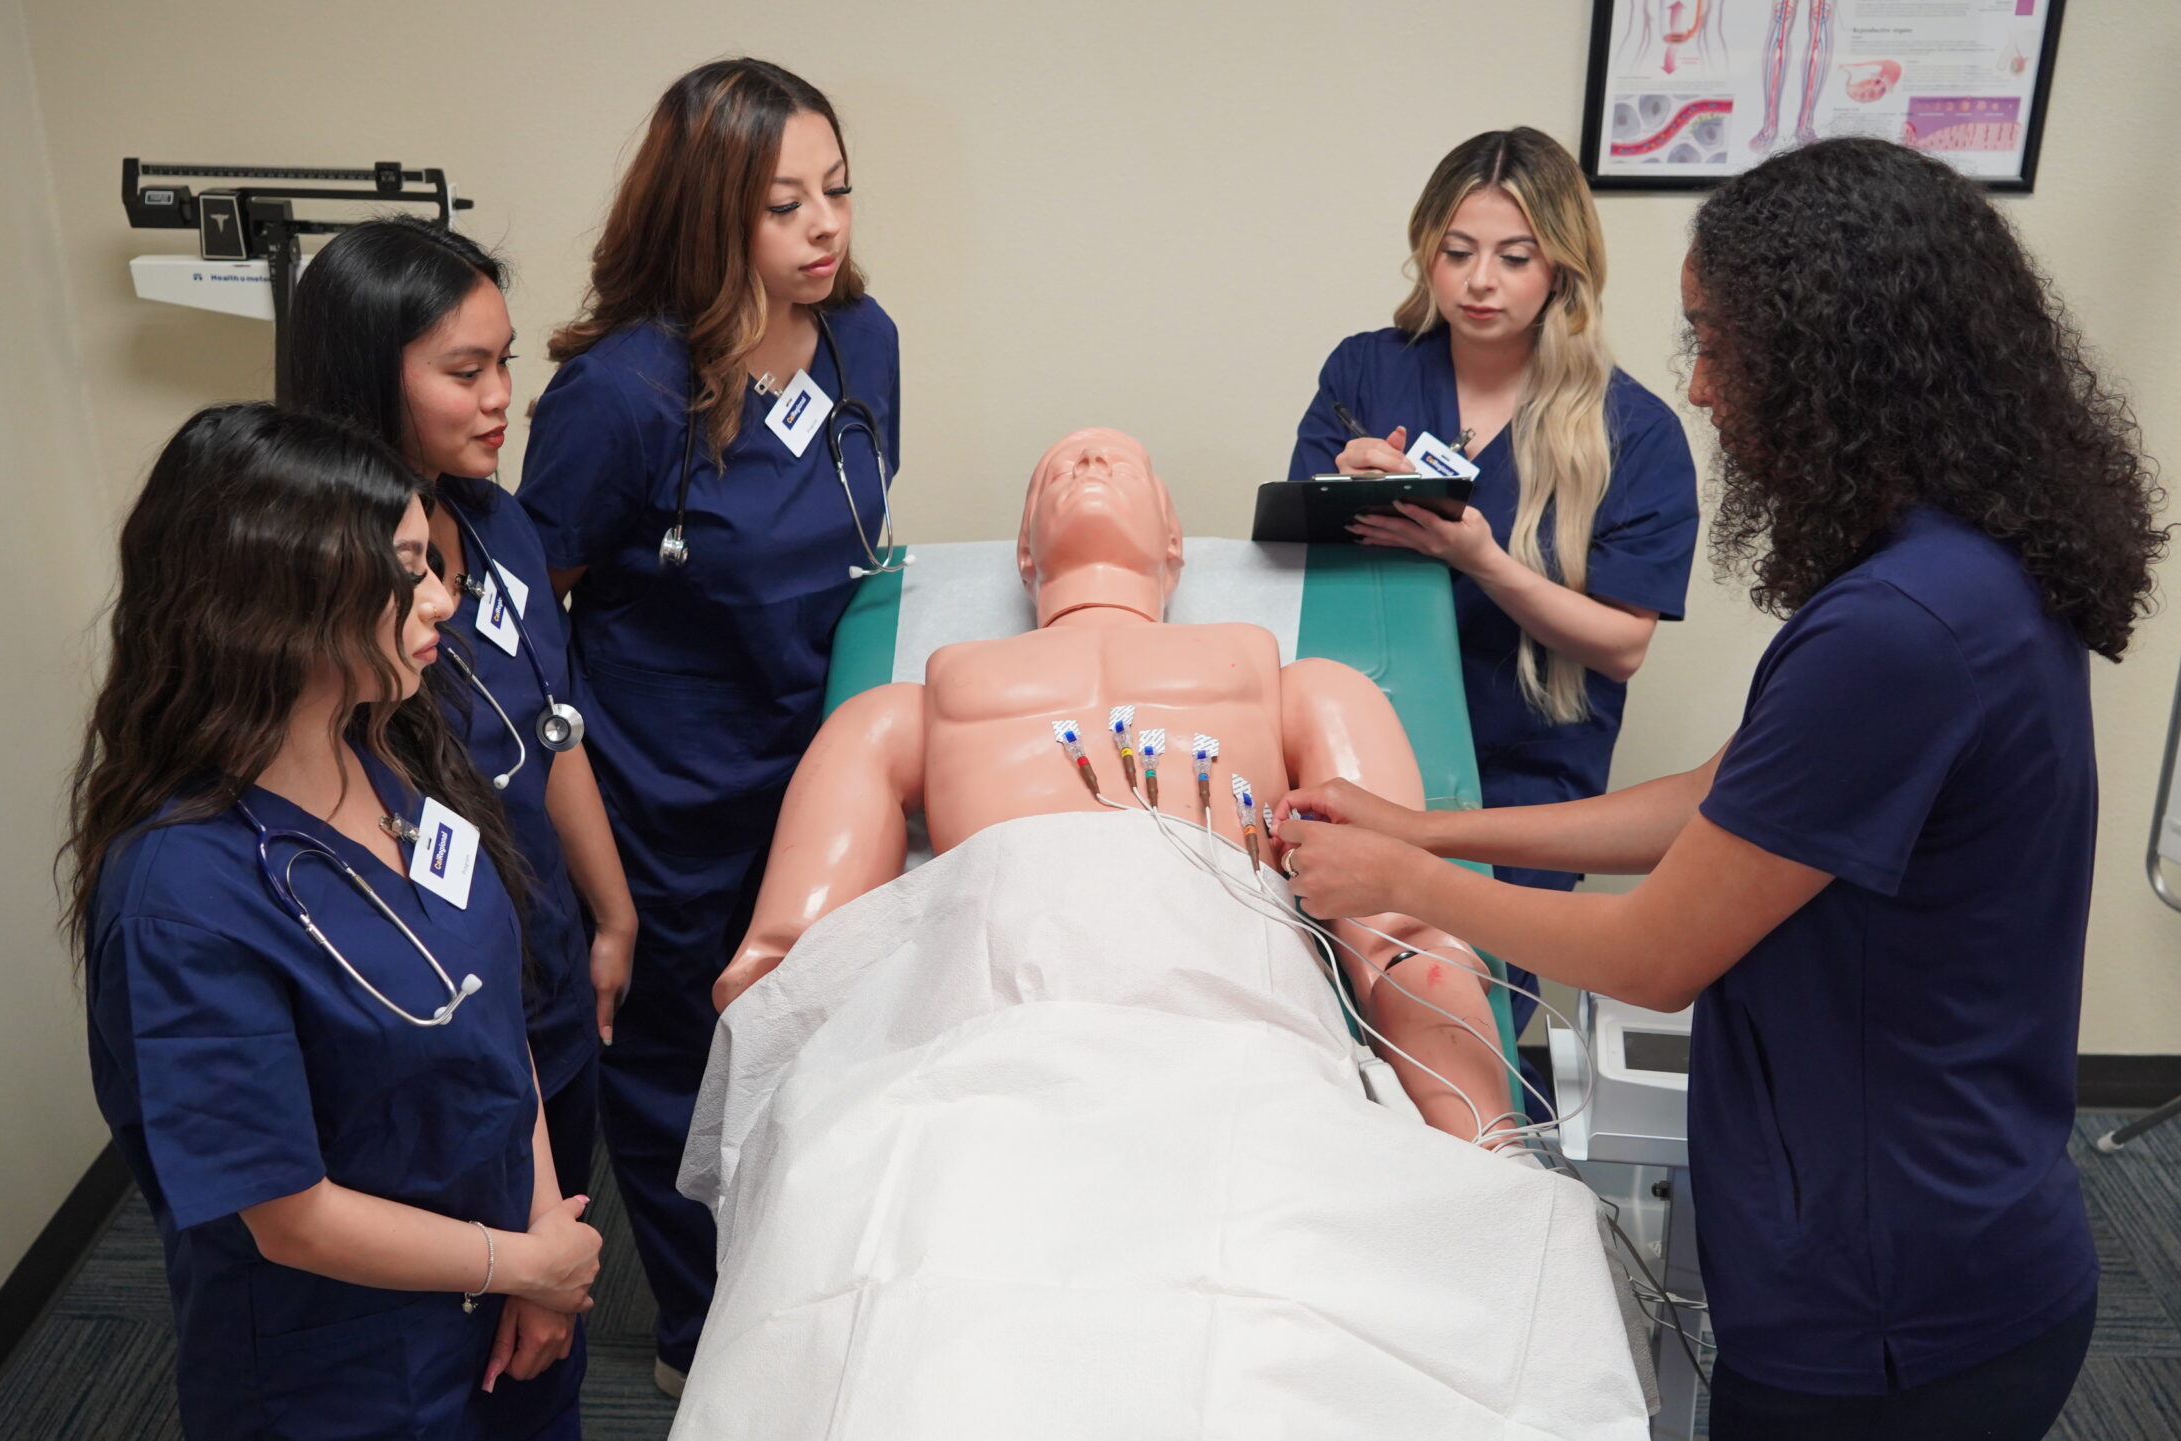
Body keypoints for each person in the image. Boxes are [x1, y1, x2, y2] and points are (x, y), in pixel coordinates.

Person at [1275, 138, 2171, 1440]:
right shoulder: (1953, 569)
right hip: (1935, 1229)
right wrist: (1424, 826)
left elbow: (1655, 954)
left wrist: (1408, 878)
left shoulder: (1900, 629)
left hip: (1889, 1302)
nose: (1696, 386)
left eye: (1716, 344)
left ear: (1828, 357)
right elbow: (1718, 796)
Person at [673, 429, 1644, 1438]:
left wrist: (1485, 1143)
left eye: (1121, 462)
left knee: (1266, 1295)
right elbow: (785, 967)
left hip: (1232, 1035)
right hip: (977, 1043)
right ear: (1022, 550)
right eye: (1057, 467)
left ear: (1175, 542)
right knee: (922, 1274)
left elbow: (1404, 935)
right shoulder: (910, 705)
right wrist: (799, 1146)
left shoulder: (1299, 684)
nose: (1089, 462)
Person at [64, 405, 606, 1438]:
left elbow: (492, 1012)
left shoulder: (392, 752)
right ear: (282, 595)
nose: (441, 595)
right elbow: (288, 1212)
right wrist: (517, 1262)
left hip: (510, 1303)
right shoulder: (182, 899)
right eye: (407, 570)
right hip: (353, 1372)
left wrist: (542, 1237)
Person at [515, 57, 900, 1392]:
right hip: (663, 793)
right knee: (678, 1067)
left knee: (821, 1042)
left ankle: (809, 1291)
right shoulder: (622, 396)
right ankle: (702, 1338)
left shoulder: (862, 340)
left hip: (815, 774)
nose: (824, 227)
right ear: (706, 212)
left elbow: (849, 537)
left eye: (837, 191)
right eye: (784, 204)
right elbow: (532, 611)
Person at [282, 217, 640, 1433]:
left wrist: (611, 913)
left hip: (537, 964)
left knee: (555, 1281)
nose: (501, 399)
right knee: (458, 1329)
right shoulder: (325, 598)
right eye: (464, 370)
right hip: (429, 1012)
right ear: (366, 375)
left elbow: (553, 725)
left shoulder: (498, 523)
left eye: (505, 363)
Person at [1287, 125, 1699, 1063]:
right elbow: (1297, 558)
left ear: (1562, 267)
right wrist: (1345, 489)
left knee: (1461, 1034)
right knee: (1329, 1034)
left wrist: (1483, 559)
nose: (1481, 282)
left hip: (1519, 781)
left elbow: (1623, 643)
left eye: (1514, 257)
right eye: (1457, 252)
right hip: (1361, 745)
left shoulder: (1631, 431)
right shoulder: (1367, 372)